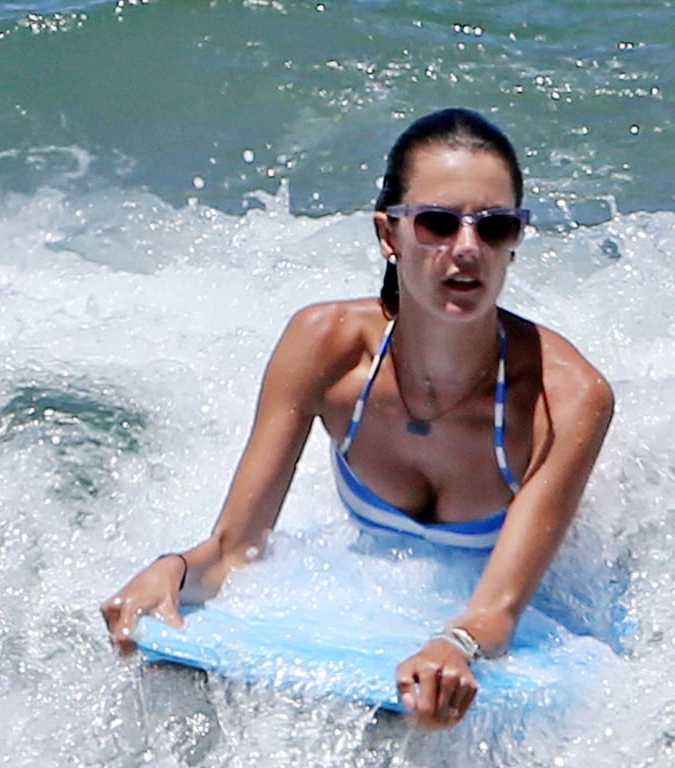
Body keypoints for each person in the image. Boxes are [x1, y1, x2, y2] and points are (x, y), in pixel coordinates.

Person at [102, 108, 614, 730]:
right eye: (437, 222)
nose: (467, 249)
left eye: (496, 226)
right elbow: (236, 548)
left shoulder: (566, 398)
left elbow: (497, 616)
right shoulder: (325, 346)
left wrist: (456, 644)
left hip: (532, 601)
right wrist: (174, 571)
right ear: (388, 234)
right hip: (382, 578)